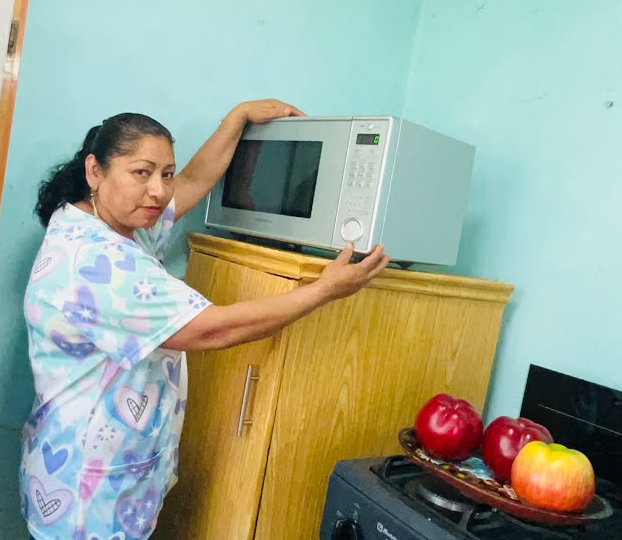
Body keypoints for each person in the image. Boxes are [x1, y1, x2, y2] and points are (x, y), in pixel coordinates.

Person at [19, 100, 391, 540]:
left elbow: (195, 180)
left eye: (165, 173)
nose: (158, 191)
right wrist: (324, 290)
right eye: (141, 173)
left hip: (73, 464)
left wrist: (235, 120)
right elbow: (216, 328)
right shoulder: (98, 262)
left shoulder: (93, 220)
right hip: (90, 490)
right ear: (95, 171)